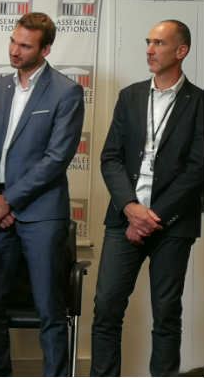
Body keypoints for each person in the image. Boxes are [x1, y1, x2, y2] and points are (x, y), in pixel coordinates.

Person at [91, 20, 203, 376]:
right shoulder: (131, 96)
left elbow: (198, 169)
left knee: (166, 313)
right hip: (124, 218)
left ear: (181, 51)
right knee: (106, 308)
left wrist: (152, 217)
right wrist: (131, 208)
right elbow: (110, 157)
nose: (149, 50)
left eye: (159, 43)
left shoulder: (199, 103)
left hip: (173, 224)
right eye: (148, 41)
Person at [0, 12, 84, 376]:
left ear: (46, 49)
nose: (15, 50)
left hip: (40, 212)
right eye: (13, 41)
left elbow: (57, 158)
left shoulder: (66, 91)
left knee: (49, 307)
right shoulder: (0, 87)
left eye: (25, 45)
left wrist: (12, 199)